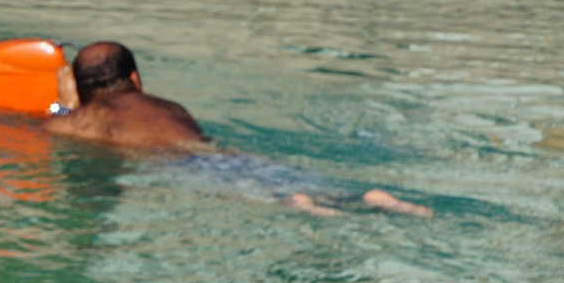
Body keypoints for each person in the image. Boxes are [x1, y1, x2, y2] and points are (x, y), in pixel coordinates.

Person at [50, 42, 433, 217]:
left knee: (266, 198)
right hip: (228, 155)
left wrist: (63, 102)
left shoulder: (82, 119)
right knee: (285, 182)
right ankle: (368, 197)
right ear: (135, 77)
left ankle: (297, 206)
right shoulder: (169, 107)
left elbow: (53, 125)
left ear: (84, 90)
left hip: (180, 166)